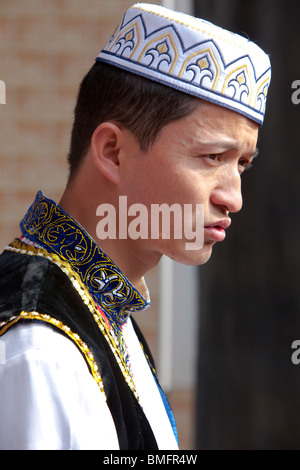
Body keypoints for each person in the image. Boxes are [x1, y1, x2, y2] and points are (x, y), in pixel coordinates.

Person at [0, 3, 271, 450]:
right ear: (112, 151)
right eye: (211, 158)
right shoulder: (42, 349)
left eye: (242, 164)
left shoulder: (103, 309)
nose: (234, 198)